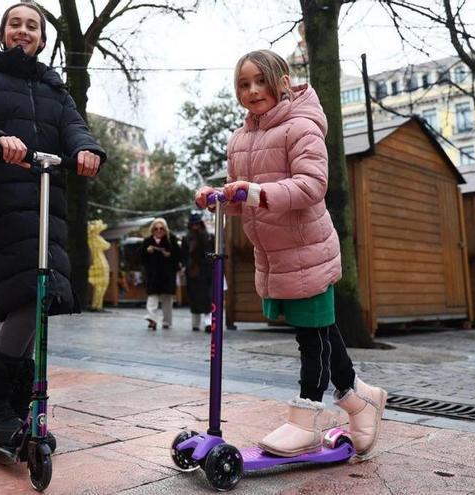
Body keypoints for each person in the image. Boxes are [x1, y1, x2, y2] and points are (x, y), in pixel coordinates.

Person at [195, 49, 386, 459]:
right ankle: (359, 398)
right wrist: (220, 198)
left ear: (282, 80)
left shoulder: (301, 127)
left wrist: (257, 192)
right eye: (244, 84)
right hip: (276, 255)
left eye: (259, 80)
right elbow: (241, 195)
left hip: (307, 249)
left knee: (311, 338)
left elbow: (311, 185)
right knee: (318, 330)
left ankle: (307, 422)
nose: (252, 90)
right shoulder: (240, 138)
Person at [0, 2, 105, 446]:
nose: (23, 31)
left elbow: (75, 128)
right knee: (25, 294)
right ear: (3, 34)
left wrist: (85, 150)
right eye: (15, 24)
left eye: (32, 26)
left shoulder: (55, 89)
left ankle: (13, 406)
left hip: (47, 203)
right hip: (6, 201)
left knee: (43, 297)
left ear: (42, 39)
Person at [141, 218, 180, 330]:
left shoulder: (171, 240)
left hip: (167, 274)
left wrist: (169, 255)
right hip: (152, 274)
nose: (158, 231)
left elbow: (178, 256)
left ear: (165, 229)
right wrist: (146, 251)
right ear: (152, 229)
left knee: (167, 299)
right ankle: (152, 319)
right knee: (152, 297)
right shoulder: (147, 241)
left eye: (161, 228)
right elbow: (140, 258)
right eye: (156, 228)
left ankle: (167, 321)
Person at [181, 212, 213, 332]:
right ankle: (195, 323)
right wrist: (186, 265)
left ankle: (208, 323)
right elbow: (183, 255)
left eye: (197, 224)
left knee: (207, 297)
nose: (195, 226)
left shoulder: (208, 236)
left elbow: (210, 252)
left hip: (206, 271)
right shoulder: (186, 238)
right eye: (193, 224)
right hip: (193, 272)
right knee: (194, 297)